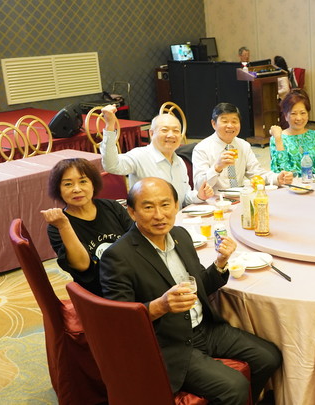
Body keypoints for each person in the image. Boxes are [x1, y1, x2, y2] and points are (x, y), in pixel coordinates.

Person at [100, 177, 282, 403]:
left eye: (165, 205)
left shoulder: (181, 235)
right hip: (168, 343)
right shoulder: (118, 256)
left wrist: (220, 262)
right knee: (235, 386)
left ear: (176, 206)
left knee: (269, 357)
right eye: (148, 207)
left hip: (205, 328)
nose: (159, 215)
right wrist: (160, 306)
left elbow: (201, 286)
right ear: (132, 212)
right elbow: (120, 322)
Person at [42, 158, 133, 296]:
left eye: (83, 181)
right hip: (98, 291)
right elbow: (82, 266)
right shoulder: (57, 227)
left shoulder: (112, 207)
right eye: (68, 184)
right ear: (58, 190)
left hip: (131, 278)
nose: (77, 189)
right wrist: (64, 225)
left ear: (93, 184)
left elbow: (136, 242)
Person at [100, 105, 213, 207]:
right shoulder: (139, 156)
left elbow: (183, 198)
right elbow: (112, 166)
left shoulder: (179, 161)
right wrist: (110, 126)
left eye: (176, 131)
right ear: (151, 133)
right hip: (151, 220)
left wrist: (199, 196)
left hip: (176, 219)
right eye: (164, 130)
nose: (171, 135)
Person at [192, 102, 293, 190]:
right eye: (225, 121)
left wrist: (277, 178)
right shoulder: (202, 149)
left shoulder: (243, 145)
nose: (230, 125)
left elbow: (256, 173)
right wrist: (216, 168)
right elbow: (199, 186)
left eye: (234, 121)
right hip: (214, 200)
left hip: (240, 197)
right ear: (213, 124)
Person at [269, 89, 315, 176]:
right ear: (285, 116)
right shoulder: (278, 138)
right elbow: (280, 172)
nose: (299, 118)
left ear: (308, 114)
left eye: (303, 113)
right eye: (293, 113)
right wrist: (278, 139)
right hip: (292, 183)